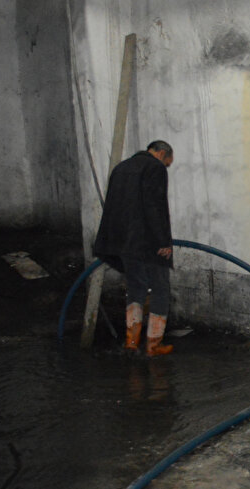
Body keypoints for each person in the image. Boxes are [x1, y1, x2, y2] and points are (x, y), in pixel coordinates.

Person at [92, 140, 176, 357]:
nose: (166, 167)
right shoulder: (154, 168)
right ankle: (153, 345)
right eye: (168, 162)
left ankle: (131, 341)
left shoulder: (121, 168)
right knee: (160, 289)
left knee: (136, 288)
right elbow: (155, 206)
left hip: (123, 243)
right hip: (147, 243)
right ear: (162, 153)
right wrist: (163, 242)